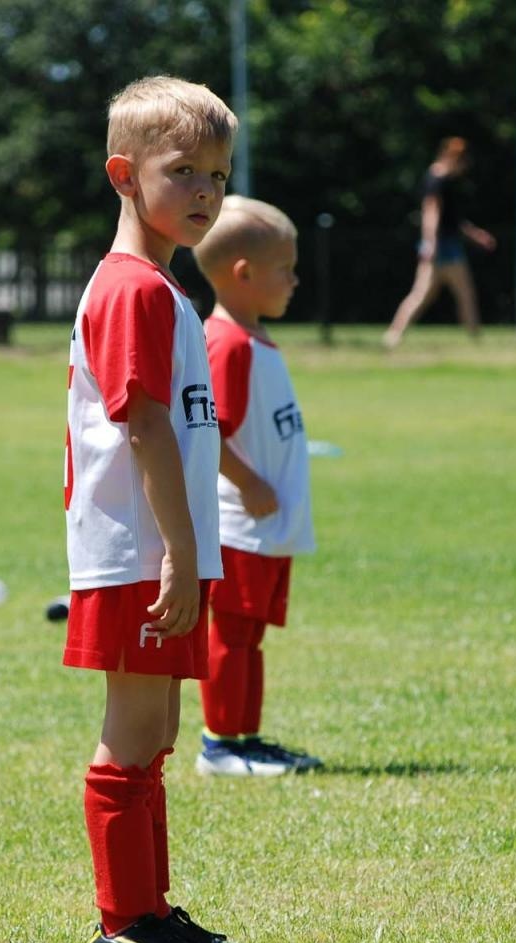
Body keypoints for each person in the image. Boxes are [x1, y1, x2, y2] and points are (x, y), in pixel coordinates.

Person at [65, 76, 247, 943]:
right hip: (141, 550)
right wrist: (180, 546)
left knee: (158, 733)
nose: (206, 191)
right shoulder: (133, 289)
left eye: (219, 172)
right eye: (184, 171)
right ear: (124, 175)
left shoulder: (164, 289)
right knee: (132, 734)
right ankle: (123, 923)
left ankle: (152, 912)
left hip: (166, 549)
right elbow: (140, 424)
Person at [189, 196, 322, 776]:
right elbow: (204, 431)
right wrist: (246, 484)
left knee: (250, 639)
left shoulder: (252, 338)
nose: (294, 280)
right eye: (284, 269)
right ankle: (221, 744)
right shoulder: (227, 344)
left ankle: (246, 736)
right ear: (244, 273)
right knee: (234, 636)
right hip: (240, 526)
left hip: (265, 527)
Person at [382, 137, 497, 349]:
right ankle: (475, 338)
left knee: (425, 293)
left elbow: (452, 219)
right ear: (453, 158)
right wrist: (429, 243)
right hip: (444, 246)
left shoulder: (445, 180)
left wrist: (475, 234)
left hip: (444, 243)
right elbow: (431, 213)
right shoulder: (437, 180)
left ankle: (394, 334)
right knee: (462, 293)